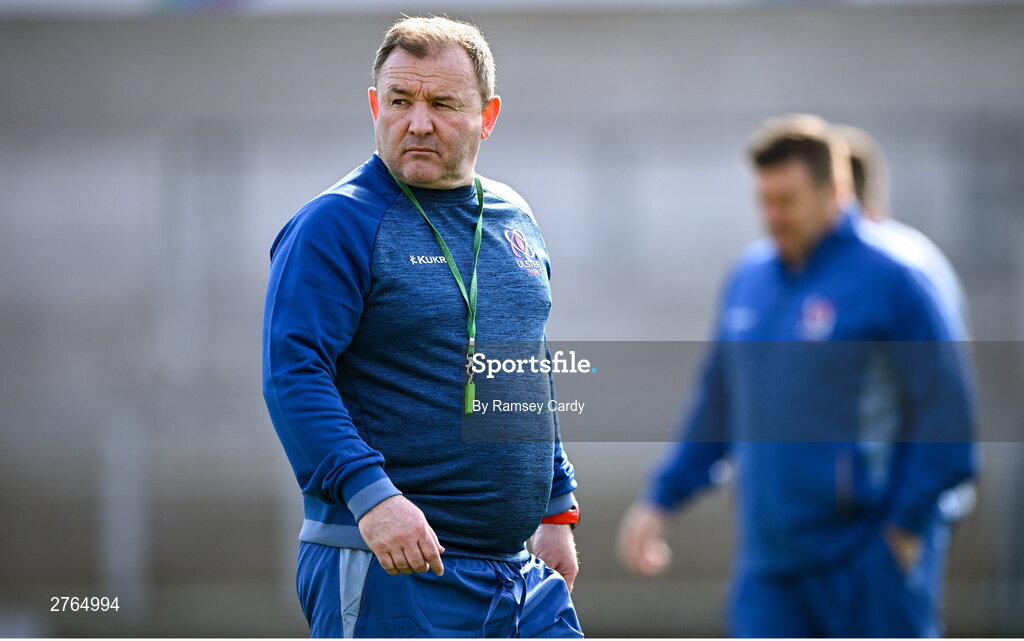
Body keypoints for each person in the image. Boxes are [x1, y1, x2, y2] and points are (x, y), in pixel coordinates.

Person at [262, 16, 582, 638]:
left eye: (442, 104)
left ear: (487, 116)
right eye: (401, 102)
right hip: (391, 566)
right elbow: (293, 376)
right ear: (376, 105)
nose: (418, 122)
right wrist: (372, 499)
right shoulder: (336, 223)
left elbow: (522, 367)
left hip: (520, 575)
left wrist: (555, 506)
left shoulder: (514, 217)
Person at [617, 114, 976, 637]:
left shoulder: (898, 279)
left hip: (866, 559)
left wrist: (902, 534)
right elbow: (717, 405)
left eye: (787, 201)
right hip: (768, 565)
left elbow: (950, 425)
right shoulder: (748, 278)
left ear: (835, 190)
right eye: (764, 201)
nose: (772, 216)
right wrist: (661, 499)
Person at [836, 123, 977, 523]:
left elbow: (938, 397)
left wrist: (905, 524)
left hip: (890, 510)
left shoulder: (896, 269)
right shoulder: (917, 256)